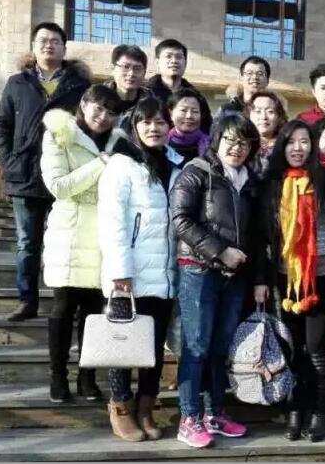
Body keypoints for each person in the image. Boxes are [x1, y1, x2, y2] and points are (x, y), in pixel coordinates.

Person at [253, 119, 325, 442]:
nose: (297, 148)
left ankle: (320, 412)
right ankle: (295, 409)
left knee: (317, 348)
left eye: (304, 141)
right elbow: (262, 238)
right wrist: (260, 279)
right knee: (292, 349)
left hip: (324, 278)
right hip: (285, 280)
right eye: (291, 142)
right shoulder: (271, 184)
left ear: (313, 146)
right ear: (282, 146)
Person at [170, 114, 260, 449]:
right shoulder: (196, 172)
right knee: (196, 346)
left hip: (234, 276)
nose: (237, 148)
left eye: (244, 142)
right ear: (217, 140)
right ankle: (188, 418)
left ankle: (215, 413)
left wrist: (253, 272)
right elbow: (181, 220)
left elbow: (258, 232)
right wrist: (221, 251)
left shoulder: (250, 180)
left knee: (221, 346)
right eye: (231, 140)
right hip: (199, 269)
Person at [0, 21, 91, 322]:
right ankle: (27, 300)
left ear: (64, 48)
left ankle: (72, 304)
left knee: (71, 240)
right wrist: (9, 160)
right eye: (43, 41)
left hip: (66, 174)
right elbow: (3, 124)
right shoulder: (17, 83)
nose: (49, 45)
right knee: (27, 243)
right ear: (34, 47)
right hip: (26, 175)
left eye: (55, 41)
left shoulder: (79, 85)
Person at [98, 97, 182, 442]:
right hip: (129, 275)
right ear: (134, 127)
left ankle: (146, 406)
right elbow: (112, 221)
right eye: (146, 122)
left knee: (153, 346)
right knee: (123, 345)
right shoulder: (122, 164)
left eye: (160, 122)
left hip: (163, 274)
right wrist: (120, 272)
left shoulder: (174, 164)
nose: (154, 128)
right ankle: (120, 406)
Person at [40, 85, 125, 403]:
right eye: (98, 108)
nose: (103, 117)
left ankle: (87, 377)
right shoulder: (59, 134)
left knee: (93, 311)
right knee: (63, 308)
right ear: (84, 104)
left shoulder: (118, 141)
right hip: (70, 230)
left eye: (111, 112)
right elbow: (59, 186)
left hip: (104, 232)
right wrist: (101, 163)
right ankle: (57, 376)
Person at [146, 38, 212, 134]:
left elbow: (207, 128)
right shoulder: (146, 93)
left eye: (179, 57)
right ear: (157, 62)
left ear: (185, 63)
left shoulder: (196, 96)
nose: (174, 61)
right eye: (168, 56)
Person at [105, 44, 154, 134]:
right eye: (126, 67)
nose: (131, 73)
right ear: (113, 69)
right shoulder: (97, 99)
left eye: (137, 68)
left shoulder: (153, 104)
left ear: (144, 73)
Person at [247, 90, 288, 179]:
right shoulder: (243, 143)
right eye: (258, 111)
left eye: (270, 111)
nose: (263, 117)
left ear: (279, 116)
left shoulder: (286, 145)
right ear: (249, 115)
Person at [215, 56, 271, 120]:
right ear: (242, 78)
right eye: (249, 73)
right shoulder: (227, 111)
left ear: (267, 80)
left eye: (260, 74)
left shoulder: (275, 111)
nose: (254, 77)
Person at [166, 88, 211, 164]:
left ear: (201, 115)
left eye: (195, 111)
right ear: (171, 114)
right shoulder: (161, 144)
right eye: (183, 110)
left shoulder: (211, 146)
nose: (189, 116)